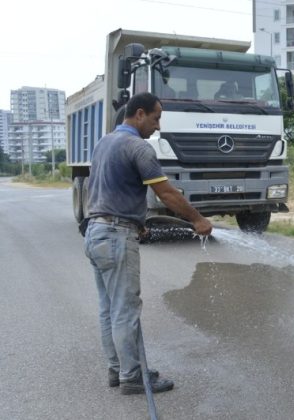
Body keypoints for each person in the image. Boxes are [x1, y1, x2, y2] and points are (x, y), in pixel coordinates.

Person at [83, 92, 213, 395]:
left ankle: (117, 370)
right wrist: (198, 220)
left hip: (96, 232)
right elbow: (167, 194)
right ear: (139, 114)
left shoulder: (105, 142)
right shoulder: (138, 147)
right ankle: (132, 376)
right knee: (125, 310)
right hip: (115, 236)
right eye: (156, 118)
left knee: (108, 308)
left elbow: (100, 187)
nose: (157, 126)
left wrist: (136, 222)